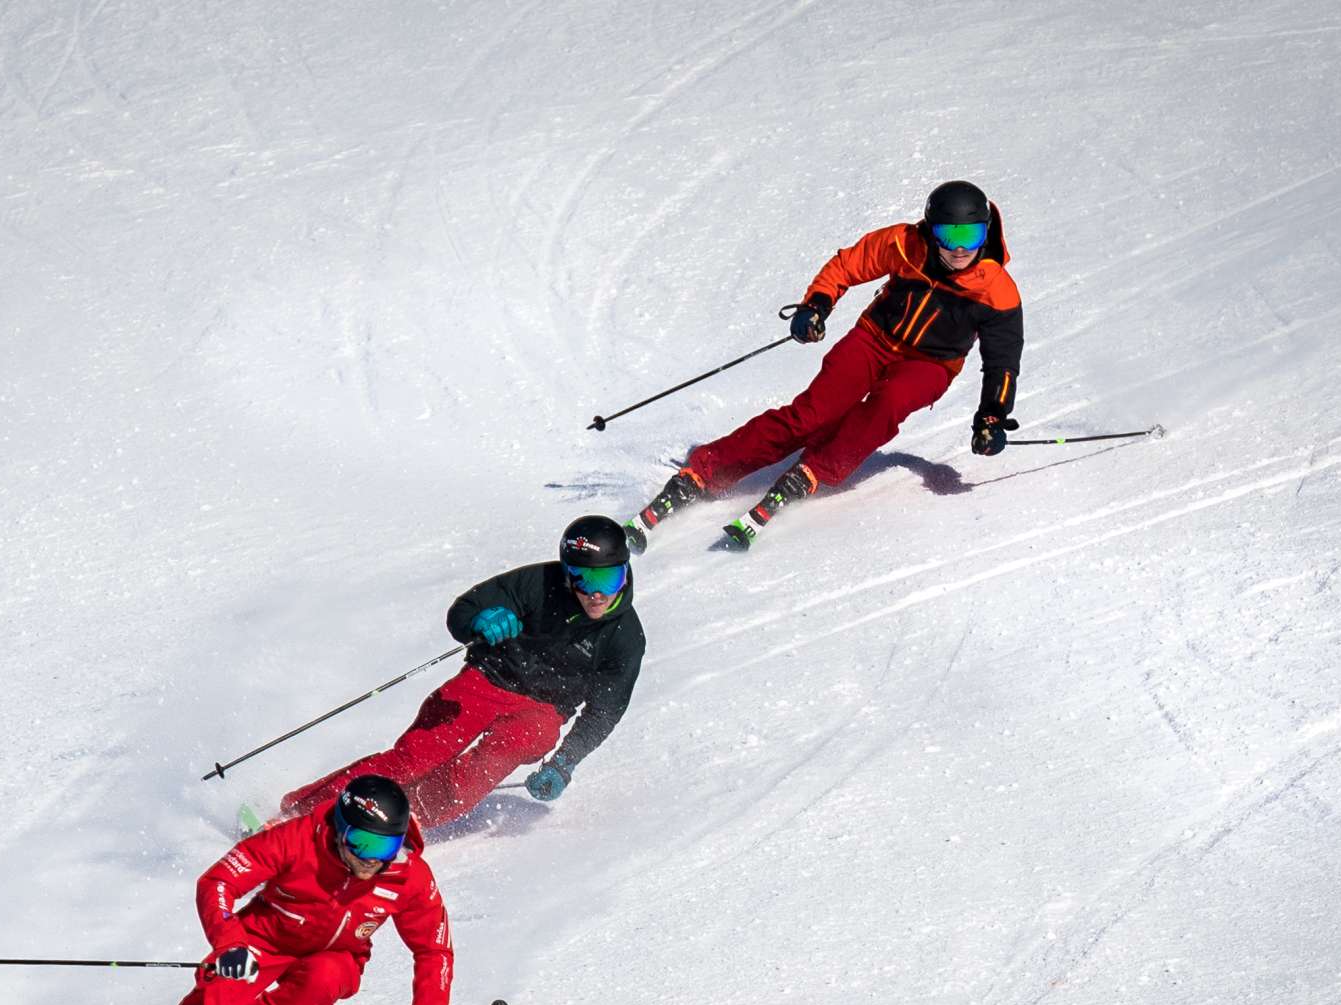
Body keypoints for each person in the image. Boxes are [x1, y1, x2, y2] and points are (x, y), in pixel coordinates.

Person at [10, 775, 451, 1005]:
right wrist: (229, 943)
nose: (372, 858)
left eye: (386, 847)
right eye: (362, 843)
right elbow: (218, 881)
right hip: (259, 942)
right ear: (340, 827)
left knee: (327, 976)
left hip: (334, 956)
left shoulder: (408, 876)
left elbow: (433, 947)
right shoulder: (296, 840)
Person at [626, 179, 1023, 549]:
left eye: (971, 236)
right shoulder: (905, 244)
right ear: (931, 231)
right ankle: (707, 470)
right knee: (813, 415)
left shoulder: (997, 290)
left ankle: (816, 469)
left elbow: (1002, 362)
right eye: (949, 236)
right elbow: (849, 265)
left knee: (888, 404)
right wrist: (817, 304)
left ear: (986, 232)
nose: (959, 249)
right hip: (874, 338)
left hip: (930, 364)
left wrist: (992, 416)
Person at [277, 515, 645, 829]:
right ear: (567, 574)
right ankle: (299, 817)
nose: (596, 594)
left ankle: (387, 828)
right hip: (487, 681)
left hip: (543, 711)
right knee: (415, 759)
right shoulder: (537, 583)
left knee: (468, 784)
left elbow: (604, 710)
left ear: (625, 575)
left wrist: (565, 762)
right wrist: (480, 621)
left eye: (608, 581)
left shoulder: (624, 638)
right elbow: (465, 609)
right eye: (584, 580)